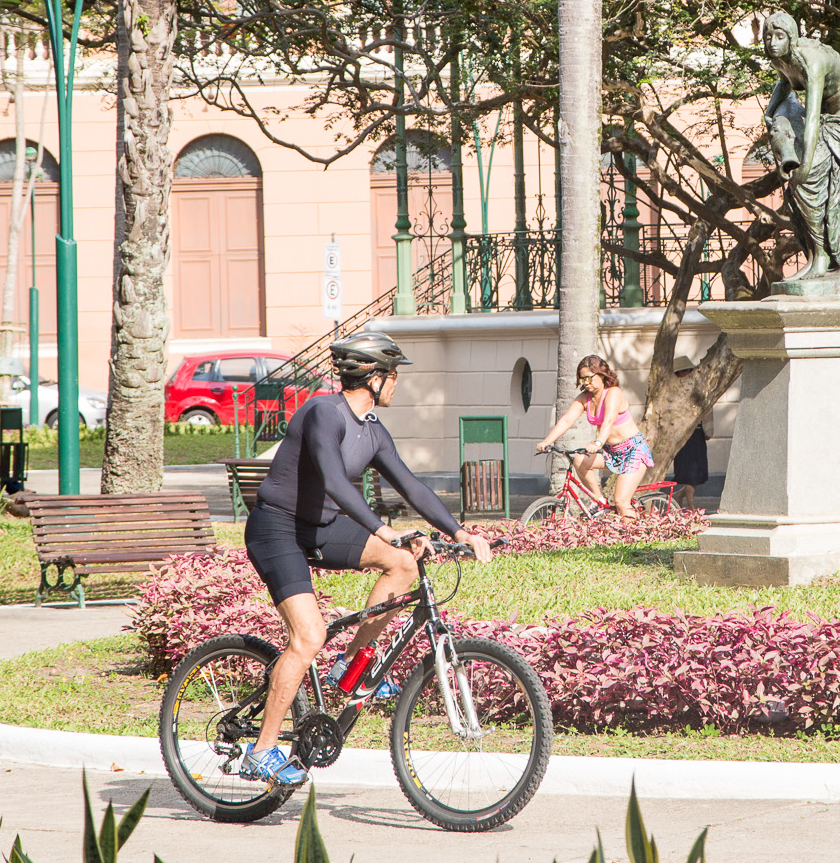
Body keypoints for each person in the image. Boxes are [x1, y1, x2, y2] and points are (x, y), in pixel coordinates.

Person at [240, 330, 494, 788]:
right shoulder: (324, 413)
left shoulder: (372, 430)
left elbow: (411, 485)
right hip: (276, 527)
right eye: (393, 374)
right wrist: (383, 528)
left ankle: (352, 666)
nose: (397, 383)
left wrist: (459, 531)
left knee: (404, 563)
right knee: (309, 636)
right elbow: (335, 481)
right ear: (373, 376)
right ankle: (260, 751)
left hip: (321, 527)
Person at [536, 355, 654, 516]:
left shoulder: (613, 393)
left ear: (602, 374)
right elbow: (567, 419)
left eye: (590, 378)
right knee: (579, 459)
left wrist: (598, 443)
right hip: (611, 451)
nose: (586, 383)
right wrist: (547, 441)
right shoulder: (585, 398)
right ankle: (599, 501)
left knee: (621, 501)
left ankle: (633, 540)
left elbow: (609, 420)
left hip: (633, 450)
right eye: (582, 379)